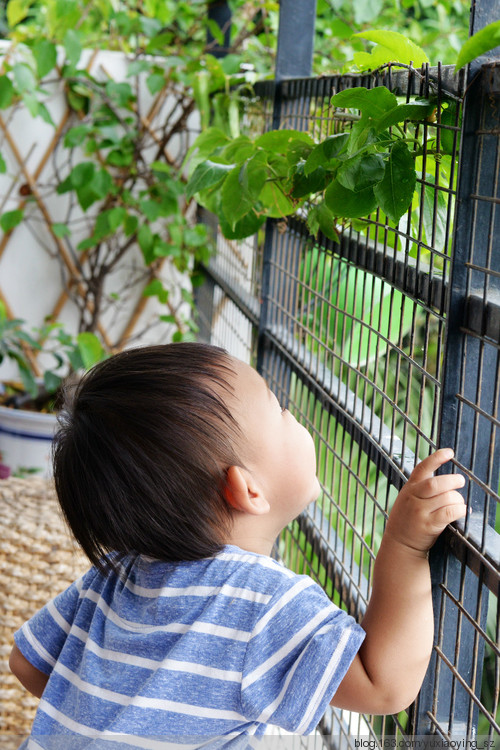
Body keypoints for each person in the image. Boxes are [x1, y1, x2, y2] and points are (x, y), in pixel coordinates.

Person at [9, 343, 467, 747]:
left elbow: (27, 663)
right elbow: (383, 686)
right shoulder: (260, 602)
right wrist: (405, 547)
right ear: (248, 490)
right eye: (279, 409)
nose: (294, 416)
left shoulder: (118, 571)